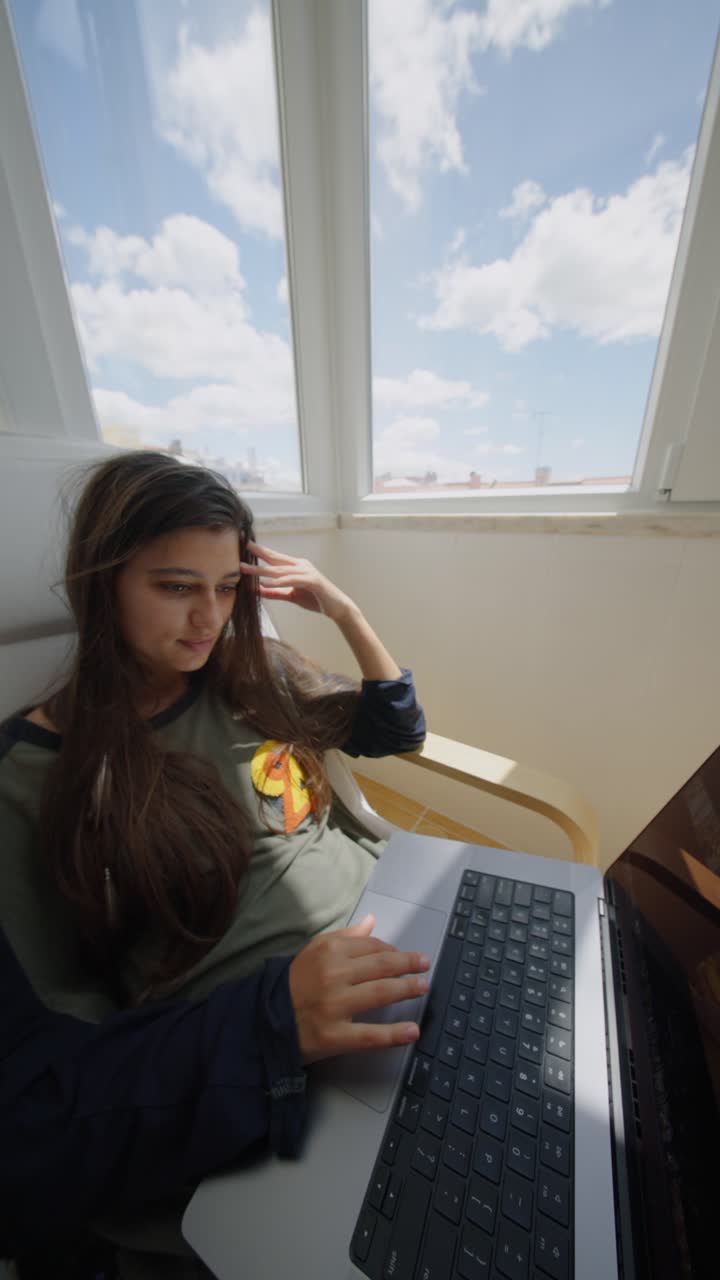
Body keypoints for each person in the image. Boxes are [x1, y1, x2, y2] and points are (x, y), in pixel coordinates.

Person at [0, 450, 429, 1278]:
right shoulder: (32, 775)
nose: (208, 617)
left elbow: (396, 729)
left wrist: (342, 609)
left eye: (227, 586)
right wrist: (267, 1026)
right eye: (174, 586)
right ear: (103, 582)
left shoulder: (254, 674)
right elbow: (44, 1093)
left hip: (401, 924)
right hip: (281, 1057)